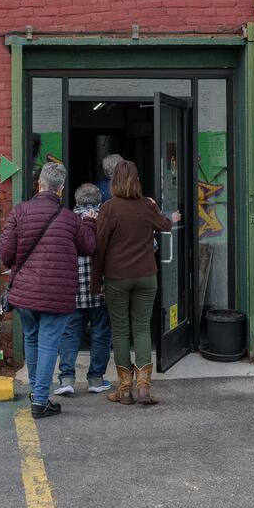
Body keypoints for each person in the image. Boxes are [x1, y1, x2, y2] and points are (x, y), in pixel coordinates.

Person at [0, 161, 96, 419]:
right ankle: (40, 400)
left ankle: (37, 393)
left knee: (32, 339)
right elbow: (88, 248)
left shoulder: (19, 212)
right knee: (48, 345)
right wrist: (89, 223)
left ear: (39, 184)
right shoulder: (71, 219)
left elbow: (5, 255)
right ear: (61, 189)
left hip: (25, 294)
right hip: (57, 295)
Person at [93, 159, 174, 406]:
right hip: (146, 276)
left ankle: (125, 389)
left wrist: (96, 282)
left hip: (117, 277)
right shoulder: (146, 206)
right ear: (137, 180)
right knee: (141, 328)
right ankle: (143, 388)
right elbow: (166, 225)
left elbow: (100, 247)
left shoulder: (109, 208)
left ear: (114, 181)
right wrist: (154, 205)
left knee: (120, 330)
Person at [53, 183, 113, 397]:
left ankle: (66, 378)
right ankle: (96, 379)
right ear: (99, 201)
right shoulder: (107, 218)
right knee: (101, 334)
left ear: (77, 201)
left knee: (69, 334)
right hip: (102, 288)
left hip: (73, 290)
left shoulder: (66, 219)